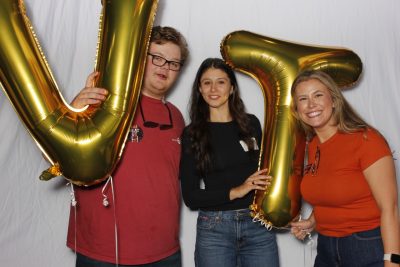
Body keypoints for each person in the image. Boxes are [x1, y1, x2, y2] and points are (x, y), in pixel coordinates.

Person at [67, 26, 189, 266]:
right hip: (102, 251)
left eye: (174, 63)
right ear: (140, 59)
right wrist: (73, 113)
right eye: (158, 58)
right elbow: (57, 158)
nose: (165, 67)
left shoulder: (177, 117)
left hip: (164, 251)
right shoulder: (104, 103)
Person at [289, 70, 400, 266]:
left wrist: (392, 261)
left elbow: (389, 209)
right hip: (325, 247)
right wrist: (313, 221)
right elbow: (331, 192)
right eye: (303, 98)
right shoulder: (312, 144)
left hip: (366, 245)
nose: (311, 104)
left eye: (318, 95)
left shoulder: (366, 139)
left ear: (333, 100)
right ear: (297, 109)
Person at [179, 58, 279, 267]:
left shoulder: (251, 124)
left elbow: (265, 173)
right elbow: (191, 197)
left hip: (257, 224)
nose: (213, 89)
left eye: (221, 82)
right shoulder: (192, 134)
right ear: (199, 88)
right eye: (207, 82)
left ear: (232, 87)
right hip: (214, 229)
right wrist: (237, 191)